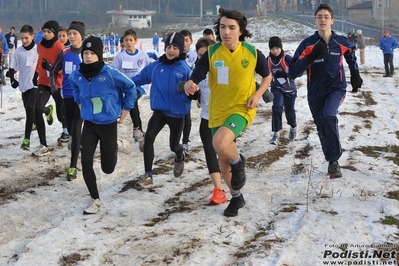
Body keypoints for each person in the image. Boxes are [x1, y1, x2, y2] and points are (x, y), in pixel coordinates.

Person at [183, 8, 272, 217]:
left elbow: (267, 77)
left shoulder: (252, 53)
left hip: (242, 109)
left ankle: (239, 161)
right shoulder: (212, 53)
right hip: (217, 111)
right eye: (223, 27)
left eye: (232, 28)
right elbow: (197, 73)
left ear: (240, 31)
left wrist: (258, 94)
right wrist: (190, 83)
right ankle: (237, 196)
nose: (227, 32)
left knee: (220, 143)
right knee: (223, 162)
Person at [289, 3, 363, 179]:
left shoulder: (340, 41)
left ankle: (334, 160)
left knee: (329, 116)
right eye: (319, 16)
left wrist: (354, 72)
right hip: (315, 93)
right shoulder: (308, 44)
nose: (323, 20)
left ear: (332, 20)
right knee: (322, 126)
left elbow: (350, 52)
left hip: (336, 88)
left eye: (326, 16)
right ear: (315, 20)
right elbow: (293, 71)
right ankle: (331, 160)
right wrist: (311, 56)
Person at [69, 36, 136, 214]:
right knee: (86, 161)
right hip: (90, 124)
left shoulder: (110, 73)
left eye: (92, 53)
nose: (88, 57)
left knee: (108, 168)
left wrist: (126, 109)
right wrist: (79, 102)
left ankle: (115, 145)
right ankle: (95, 199)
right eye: (85, 53)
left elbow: (131, 87)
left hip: (108, 124)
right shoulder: (77, 74)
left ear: (99, 54)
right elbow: (74, 85)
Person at [132, 32, 192, 190]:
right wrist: (125, 84)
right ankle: (148, 175)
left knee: (174, 146)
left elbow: (191, 95)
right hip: (159, 111)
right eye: (168, 47)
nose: (171, 51)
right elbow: (139, 78)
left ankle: (179, 156)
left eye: (174, 48)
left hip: (178, 115)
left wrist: (184, 92)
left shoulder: (185, 70)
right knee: (149, 139)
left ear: (181, 49)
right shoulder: (156, 66)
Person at [50, 21, 86, 181]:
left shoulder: (87, 52)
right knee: (72, 131)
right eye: (69, 34)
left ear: (81, 35)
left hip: (84, 98)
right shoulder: (64, 53)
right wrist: (54, 88)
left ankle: (73, 166)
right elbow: (53, 71)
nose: (71, 37)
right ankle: (82, 146)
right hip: (68, 97)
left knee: (77, 129)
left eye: (75, 34)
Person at [194, 37, 227, 204]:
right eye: (200, 55)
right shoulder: (196, 72)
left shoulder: (221, 67)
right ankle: (218, 190)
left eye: (206, 54)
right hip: (206, 118)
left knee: (225, 153)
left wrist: (257, 89)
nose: (203, 57)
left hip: (225, 118)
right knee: (210, 152)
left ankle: (234, 178)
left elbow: (237, 83)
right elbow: (194, 93)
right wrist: (186, 88)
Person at [112, 29, 152, 152]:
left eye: (131, 40)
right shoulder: (120, 56)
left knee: (132, 98)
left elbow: (150, 68)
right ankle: (137, 132)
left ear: (135, 41)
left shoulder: (142, 55)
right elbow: (113, 72)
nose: (128, 42)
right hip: (125, 87)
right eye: (126, 40)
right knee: (127, 102)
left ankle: (137, 130)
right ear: (123, 42)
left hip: (140, 86)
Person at [33, 20, 67, 156]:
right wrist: (36, 73)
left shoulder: (60, 47)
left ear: (54, 33)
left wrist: (50, 68)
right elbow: (39, 61)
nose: (45, 34)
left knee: (61, 113)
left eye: (49, 32)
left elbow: (64, 69)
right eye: (44, 31)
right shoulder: (40, 45)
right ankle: (43, 144)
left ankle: (66, 131)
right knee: (37, 108)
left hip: (57, 84)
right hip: (43, 82)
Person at [8, 25, 38, 151]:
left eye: (27, 38)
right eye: (22, 38)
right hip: (23, 85)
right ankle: (47, 111)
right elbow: (11, 67)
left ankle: (26, 140)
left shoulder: (38, 50)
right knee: (30, 110)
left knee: (30, 109)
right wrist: (12, 80)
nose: (24, 41)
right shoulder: (18, 52)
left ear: (32, 36)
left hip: (35, 85)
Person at [267, 36, 297, 145]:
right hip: (276, 88)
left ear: (281, 47)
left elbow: (297, 70)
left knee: (290, 112)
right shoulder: (268, 60)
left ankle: (293, 127)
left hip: (290, 90)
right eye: (272, 48)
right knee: (276, 107)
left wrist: (286, 74)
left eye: (277, 48)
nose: (275, 51)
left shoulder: (287, 58)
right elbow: (265, 74)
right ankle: (276, 133)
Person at [179, 30, 198, 155]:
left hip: (190, 88)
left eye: (187, 40)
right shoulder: (175, 53)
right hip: (177, 88)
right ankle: (175, 141)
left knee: (186, 114)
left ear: (191, 41)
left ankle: (185, 142)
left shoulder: (195, 55)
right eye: (182, 40)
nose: (184, 43)